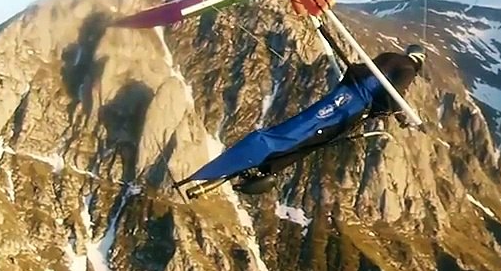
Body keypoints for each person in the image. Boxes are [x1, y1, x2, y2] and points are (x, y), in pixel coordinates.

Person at [179, 44, 426, 196]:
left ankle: (260, 166)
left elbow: (371, 74)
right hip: (350, 107)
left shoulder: (390, 56)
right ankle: (259, 166)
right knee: (310, 139)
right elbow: (395, 96)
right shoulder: (408, 69)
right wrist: (401, 116)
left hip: (343, 94)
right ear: (419, 63)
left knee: (305, 128)